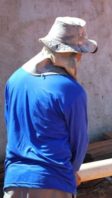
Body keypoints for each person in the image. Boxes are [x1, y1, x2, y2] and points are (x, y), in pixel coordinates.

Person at [3, 17, 97, 198]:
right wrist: (71, 172)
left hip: (14, 179)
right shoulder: (71, 90)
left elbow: (13, 127)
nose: (80, 57)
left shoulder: (14, 80)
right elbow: (78, 143)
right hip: (53, 181)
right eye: (79, 52)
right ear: (71, 54)